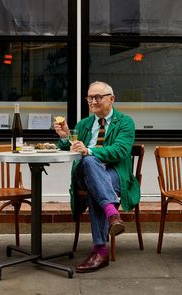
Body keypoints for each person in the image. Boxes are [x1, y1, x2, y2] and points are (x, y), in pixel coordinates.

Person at [54, 81, 140, 273]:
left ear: (112, 99)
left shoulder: (125, 122)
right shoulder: (84, 124)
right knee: (90, 162)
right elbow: (69, 146)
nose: (93, 101)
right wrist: (65, 136)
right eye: (90, 97)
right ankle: (112, 214)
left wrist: (89, 150)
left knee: (95, 184)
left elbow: (120, 150)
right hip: (82, 174)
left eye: (98, 97)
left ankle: (100, 252)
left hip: (114, 173)